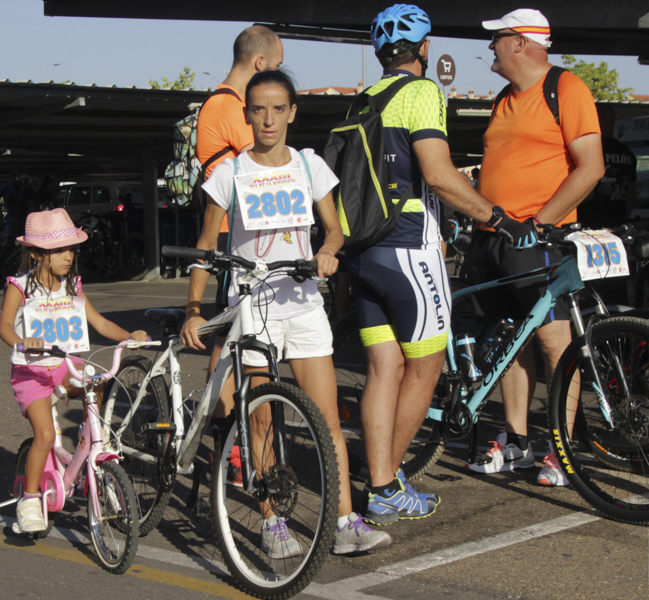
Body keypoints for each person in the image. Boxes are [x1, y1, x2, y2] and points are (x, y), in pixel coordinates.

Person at [184, 69, 393, 555]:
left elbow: (335, 229)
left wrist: (329, 251)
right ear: (247, 115)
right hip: (253, 308)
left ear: (292, 113)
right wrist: (193, 308)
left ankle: (344, 522)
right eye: (259, 110)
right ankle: (272, 521)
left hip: (301, 304)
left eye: (279, 109)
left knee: (324, 420)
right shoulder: (229, 173)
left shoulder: (308, 164)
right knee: (260, 419)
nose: (269, 119)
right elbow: (205, 246)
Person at [347, 4, 535, 526]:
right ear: (424, 49)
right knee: (426, 367)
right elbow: (437, 172)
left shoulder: (365, 98)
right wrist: (496, 217)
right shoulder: (422, 93)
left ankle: (381, 479)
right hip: (409, 247)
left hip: (365, 253)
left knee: (384, 369)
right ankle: (385, 483)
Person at [464, 8, 604, 486]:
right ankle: (517, 439)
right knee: (509, 337)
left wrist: (540, 223)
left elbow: (591, 167)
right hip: (493, 239)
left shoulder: (566, 88)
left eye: (497, 38)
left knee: (553, 340)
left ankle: (561, 449)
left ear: (521, 42)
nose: (490, 48)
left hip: (536, 239)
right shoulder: (505, 97)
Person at [0, 207, 148, 534]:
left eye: (71, 249)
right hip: (32, 372)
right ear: (37, 254)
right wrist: (23, 342)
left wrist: (130, 336)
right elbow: (4, 326)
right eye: (60, 250)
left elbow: (100, 322)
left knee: (95, 381)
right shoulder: (20, 286)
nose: (69, 256)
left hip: (64, 364)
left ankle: (91, 439)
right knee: (46, 435)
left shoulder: (73, 286)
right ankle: (29, 498)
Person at [195, 24, 284, 485]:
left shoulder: (221, 102)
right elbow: (268, 157)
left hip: (242, 240)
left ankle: (220, 441)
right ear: (260, 64)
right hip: (236, 242)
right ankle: (227, 443)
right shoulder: (228, 105)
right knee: (233, 348)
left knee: (225, 346)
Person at [576, 104, 637, 229]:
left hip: (587, 222)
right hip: (616, 223)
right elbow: (632, 191)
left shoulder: (588, 149)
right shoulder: (627, 152)